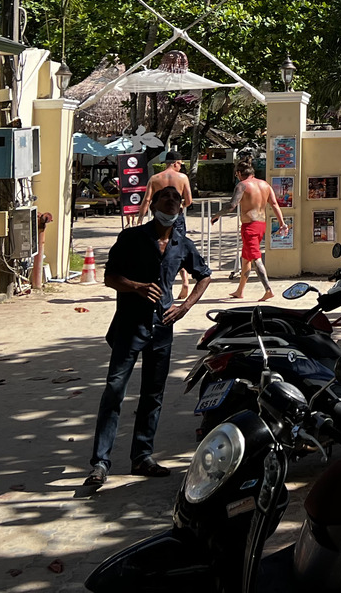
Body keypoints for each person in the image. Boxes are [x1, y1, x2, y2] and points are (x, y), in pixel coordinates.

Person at [86, 185, 212, 488]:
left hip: (161, 329)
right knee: (114, 391)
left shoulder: (182, 244)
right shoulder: (131, 238)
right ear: (153, 203)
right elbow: (109, 277)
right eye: (165, 197)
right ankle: (100, 463)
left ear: (180, 209)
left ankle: (142, 457)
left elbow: (204, 275)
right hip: (129, 326)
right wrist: (136, 287)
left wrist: (185, 306)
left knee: (153, 397)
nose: (170, 202)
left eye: (176, 200)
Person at [214, 160, 288, 300]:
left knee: (255, 258)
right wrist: (282, 223)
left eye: (237, 175)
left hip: (250, 226)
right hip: (261, 224)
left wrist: (216, 215)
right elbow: (274, 205)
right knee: (246, 258)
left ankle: (268, 289)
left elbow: (231, 205)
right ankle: (240, 290)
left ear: (239, 173)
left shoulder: (242, 185)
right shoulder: (265, 185)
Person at [148, 157, 195, 298]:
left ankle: (162, 284)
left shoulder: (155, 178)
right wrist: (178, 207)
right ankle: (185, 281)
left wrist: (139, 218)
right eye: (180, 164)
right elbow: (189, 200)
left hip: (160, 215)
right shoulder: (182, 177)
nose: (181, 166)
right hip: (176, 215)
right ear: (175, 163)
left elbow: (147, 199)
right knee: (179, 247)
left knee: (160, 248)